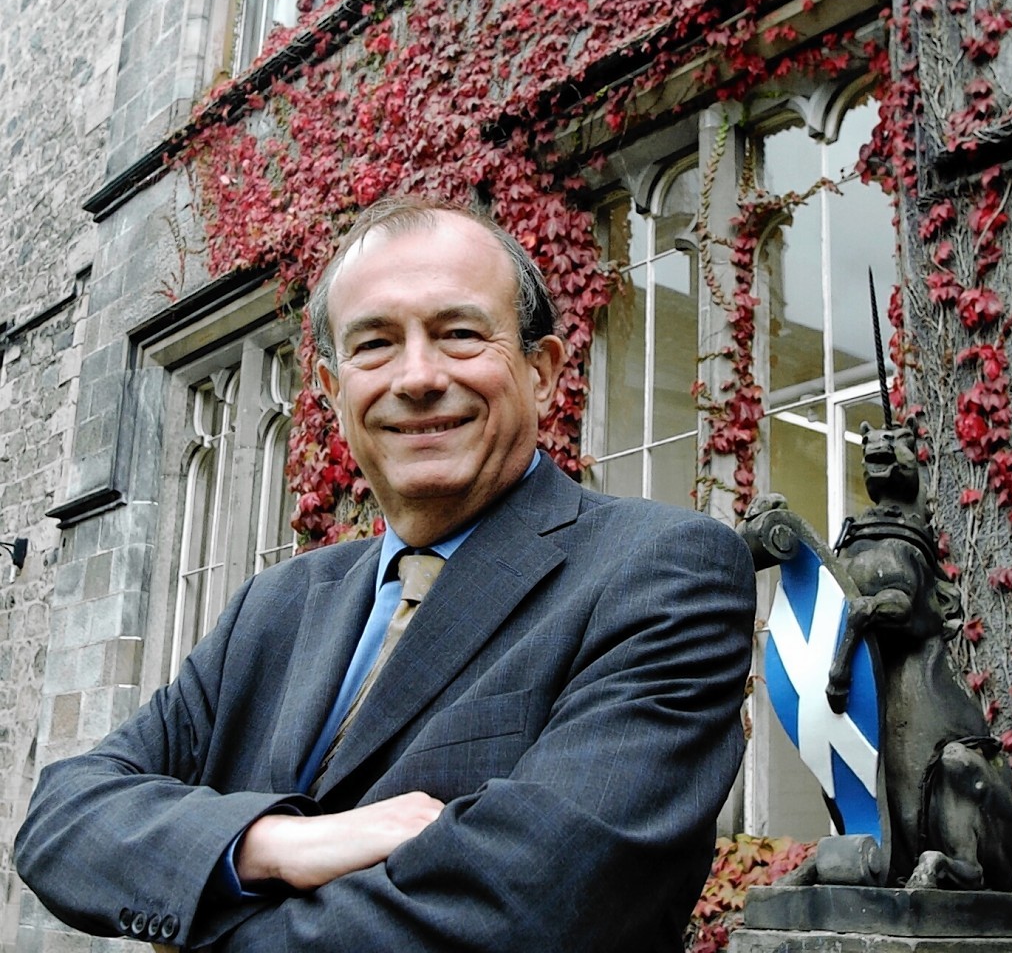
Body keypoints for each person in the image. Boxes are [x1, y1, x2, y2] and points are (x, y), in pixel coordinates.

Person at [16, 197, 757, 952]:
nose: (418, 376)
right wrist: (269, 844)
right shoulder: (276, 605)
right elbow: (64, 818)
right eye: (373, 345)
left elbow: (529, 910)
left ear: (542, 373)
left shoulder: (662, 572)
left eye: (460, 334)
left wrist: (196, 906)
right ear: (334, 395)